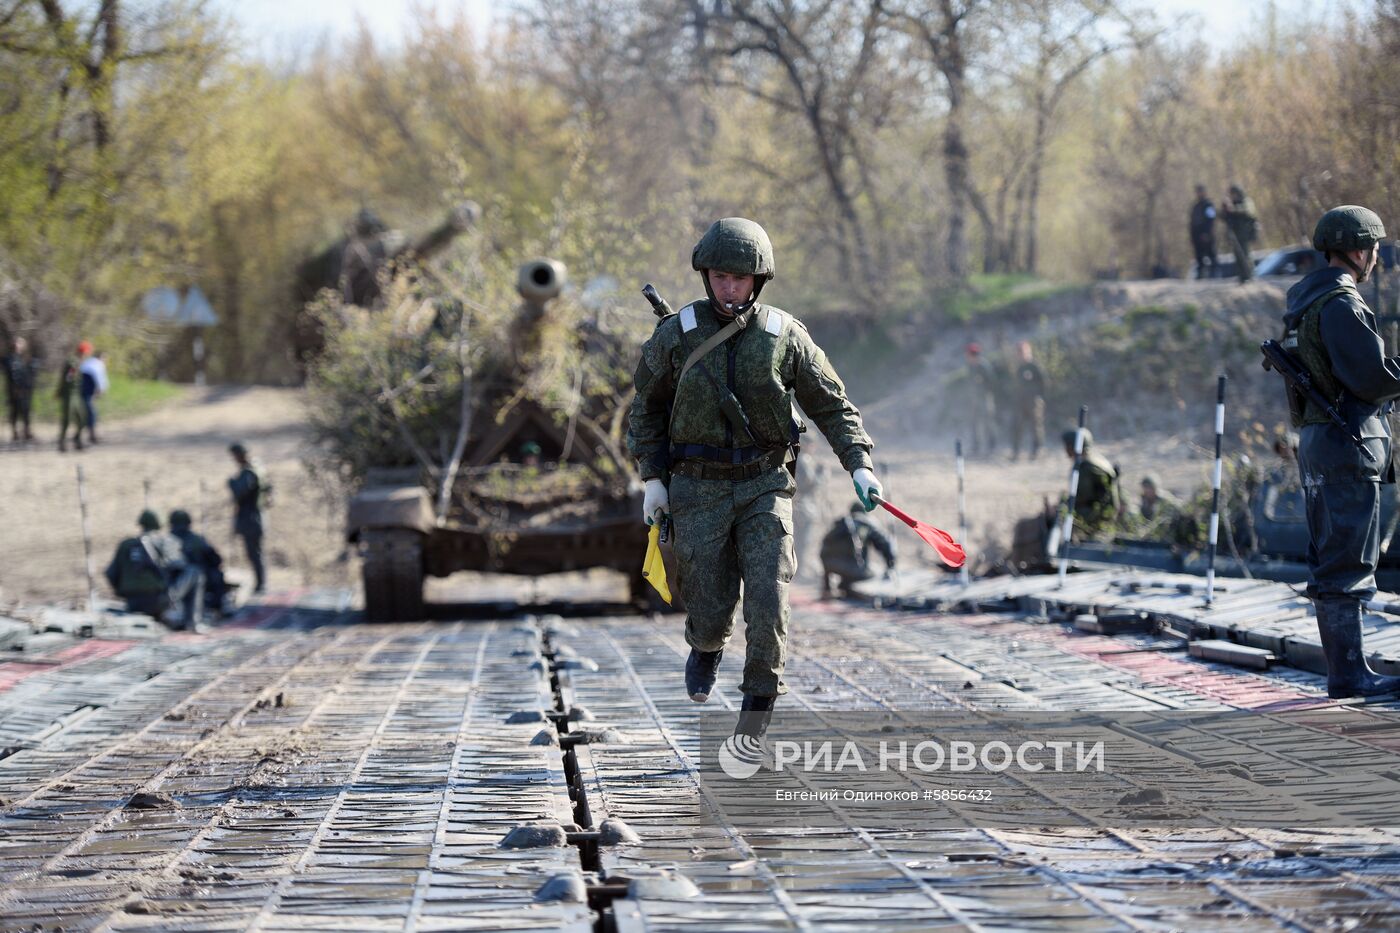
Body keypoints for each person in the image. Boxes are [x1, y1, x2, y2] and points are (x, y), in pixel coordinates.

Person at [628, 217, 881, 737]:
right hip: (696, 487)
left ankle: (758, 704)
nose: (729, 288)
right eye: (720, 277)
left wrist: (859, 464)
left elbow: (832, 406)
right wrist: (653, 479)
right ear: (706, 276)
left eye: (739, 279)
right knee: (708, 600)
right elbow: (645, 410)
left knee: (769, 594)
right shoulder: (676, 335)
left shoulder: (784, 337)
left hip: (765, 483)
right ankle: (705, 646)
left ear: (758, 280)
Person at [1282, 205, 1400, 698]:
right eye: (1373, 248)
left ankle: (1347, 673)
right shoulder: (1341, 303)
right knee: (1348, 560)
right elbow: (1371, 379)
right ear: (1358, 250)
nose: (1376, 258)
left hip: (1321, 441)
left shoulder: (1307, 301)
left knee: (1332, 557)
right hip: (1347, 443)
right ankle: (1350, 676)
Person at [104, 510, 202, 628]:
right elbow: (179, 567)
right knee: (194, 571)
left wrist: (123, 593)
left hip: (132, 603)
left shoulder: (126, 545)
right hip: (158, 601)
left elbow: (110, 574)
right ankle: (192, 622)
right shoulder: (165, 540)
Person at [819, 502, 896, 597]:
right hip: (856, 568)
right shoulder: (868, 523)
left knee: (842, 562)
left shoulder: (841, 522)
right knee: (874, 573)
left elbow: (825, 546)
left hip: (832, 565)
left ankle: (829, 589)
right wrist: (890, 565)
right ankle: (847, 586)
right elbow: (885, 544)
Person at [1061, 427, 1121, 539]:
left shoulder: (1085, 467)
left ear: (1074, 446)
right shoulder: (1097, 460)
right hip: (1106, 513)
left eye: (1068, 445)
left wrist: (1063, 507)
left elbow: (1081, 498)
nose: (1065, 449)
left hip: (1097, 517)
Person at [169, 509, 227, 618]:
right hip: (185, 580)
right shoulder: (196, 540)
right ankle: (216, 608)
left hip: (175, 581)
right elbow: (215, 560)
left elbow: (215, 559)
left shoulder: (167, 539)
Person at [228, 442, 268, 594]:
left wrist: (232, 483)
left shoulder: (249, 472)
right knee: (255, 552)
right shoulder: (256, 468)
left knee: (254, 552)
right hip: (255, 516)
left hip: (252, 518)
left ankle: (261, 585)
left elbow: (241, 492)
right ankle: (260, 584)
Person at [1009, 341, 1046, 461]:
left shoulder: (1034, 366)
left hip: (1034, 402)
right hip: (1021, 402)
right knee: (1017, 426)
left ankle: (1037, 450)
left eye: (1023, 351)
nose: (1021, 355)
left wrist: (1039, 397)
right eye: (1019, 352)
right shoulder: (1020, 368)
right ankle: (1016, 452)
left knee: (1036, 427)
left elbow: (1043, 383)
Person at [964, 343, 998, 457]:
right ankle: (975, 447)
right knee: (974, 423)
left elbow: (992, 382)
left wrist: (985, 392)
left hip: (985, 399)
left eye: (968, 354)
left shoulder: (984, 366)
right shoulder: (970, 367)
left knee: (988, 423)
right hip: (975, 400)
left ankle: (992, 447)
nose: (967, 357)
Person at [1220, 184, 1260, 284]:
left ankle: (1249, 275)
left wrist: (1233, 208)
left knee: (1245, 255)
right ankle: (1242, 277)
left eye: (1234, 193)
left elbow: (1247, 211)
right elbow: (1223, 216)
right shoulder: (1231, 203)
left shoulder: (1246, 201)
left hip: (1245, 233)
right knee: (1237, 256)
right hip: (1235, 234)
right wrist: (1225, 208)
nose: (1233, 196)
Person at [4, 336, 38, 443]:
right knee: (15, 411)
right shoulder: (11, 359)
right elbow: (13, 375)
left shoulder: (22, 358)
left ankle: (26, 431)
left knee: (25, 411)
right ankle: (16, 433)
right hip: (16, 390)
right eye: (18, 343)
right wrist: (16, 388)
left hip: (24, 390)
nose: (19, 346)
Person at [56, 344, 84, 452]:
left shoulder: (78, 361)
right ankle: (62, 443)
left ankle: (77, 439)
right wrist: (60, 392)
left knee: (81, 418)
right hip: (69, 395)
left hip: (76, 394)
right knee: (67, 419)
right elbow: (68, 378)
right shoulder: (73, 362)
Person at [78, 346, 108, 444]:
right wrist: (101, 390)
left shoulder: (89, 361)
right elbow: (99, 377)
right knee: (92, 413)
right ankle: (92, 435)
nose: (106, 360)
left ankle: (90, 433)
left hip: (83, 389)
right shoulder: (98, 363)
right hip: (87, 390)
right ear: (101, 357)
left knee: (89, 412)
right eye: (105, 357)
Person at [1189, 184, 1218, 280]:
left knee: (1211, 254)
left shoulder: (1208, 205)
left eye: (1200, 191)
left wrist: (1207, 233)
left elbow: (1211, 219)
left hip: (1207, 234)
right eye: (1197, 192)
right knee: (1199, 255)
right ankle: (1201, 274)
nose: (1198, 194)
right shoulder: (1196, 206)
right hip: (1196, 235)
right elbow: (1192, 222)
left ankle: (1215, 273)